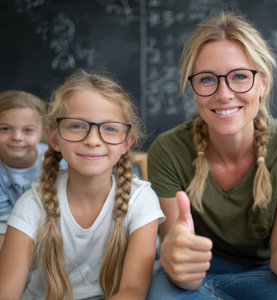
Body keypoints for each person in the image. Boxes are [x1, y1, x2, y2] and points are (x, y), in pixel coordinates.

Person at [146, 12, 277, 299]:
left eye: (239, 77)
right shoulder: (167, 149)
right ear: (193, 89)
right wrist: (176, 261)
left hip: (266, 273)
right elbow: (182, 272)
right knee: (160, 290)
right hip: (202, 274)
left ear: (262, 83)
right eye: (207, 79)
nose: (224, 94)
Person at [0, 70, 165, 299]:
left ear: (127, 143)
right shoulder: (33, 203)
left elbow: (133, 290)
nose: (93, 140)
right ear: (54, 138)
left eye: (110, 128)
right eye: (77, 126)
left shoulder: (140, 199)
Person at [0, 90, 48, 251]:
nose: (17, 137)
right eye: (5, 129)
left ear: (42, 132)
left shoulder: (58, 161)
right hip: (10, 239)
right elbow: (3, 226)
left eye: (28, 130)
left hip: (51, 236)